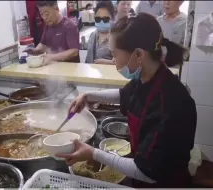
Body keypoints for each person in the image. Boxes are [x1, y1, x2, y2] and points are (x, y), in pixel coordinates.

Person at [58, 13, 197, 188]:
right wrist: (88, 96)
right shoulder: (148, 77)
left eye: (114, 54)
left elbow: (147, 172)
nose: (113, 61)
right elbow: (125, 94)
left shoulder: (170, 105)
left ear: (138, 54)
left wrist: (93, 153)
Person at [24, 0, 80, 65]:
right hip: (53, 69)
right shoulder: (48, 26)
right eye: (41, 14)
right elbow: (43, 44)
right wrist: (35, 51)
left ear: (57, 9)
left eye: (47, 14)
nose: (44, 18)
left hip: (70, 70)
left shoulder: (69, 26)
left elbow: (74, 51)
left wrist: (51, 57)